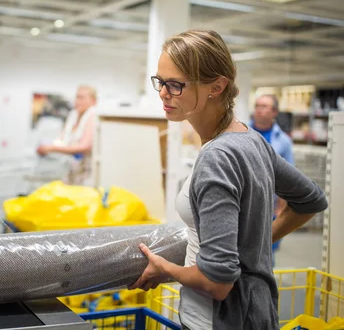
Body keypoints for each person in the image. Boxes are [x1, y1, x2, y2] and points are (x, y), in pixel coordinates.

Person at [128, 30, 327, 329]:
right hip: (255, 311)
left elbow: (216, 281)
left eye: (175, 85)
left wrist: (165, 269)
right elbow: (311, 199)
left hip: (220, 319)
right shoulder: (251, 140)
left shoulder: (217, 156)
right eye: (160, 81)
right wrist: (253, 246)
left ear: (216, 86)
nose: (163, 93)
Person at [251, 94, 295, 265]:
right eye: (257, 105)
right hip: (243, 202)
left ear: (274, 112)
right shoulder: (241, 132)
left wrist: (281, 209)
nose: (259, 110)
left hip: (269, 207)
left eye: (264, 106)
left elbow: (289, 177)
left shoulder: (283, 141)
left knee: (266, 255)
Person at [36, 85, 97, 186]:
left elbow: (84, 147)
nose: (78, 101)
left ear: (93, 101)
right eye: (77, 97)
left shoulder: (92, 116)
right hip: (71, 168)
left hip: (86, 172)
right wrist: (47, 147)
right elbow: (62, 139)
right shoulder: (73, 116)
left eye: (82, 97)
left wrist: (51, 148)